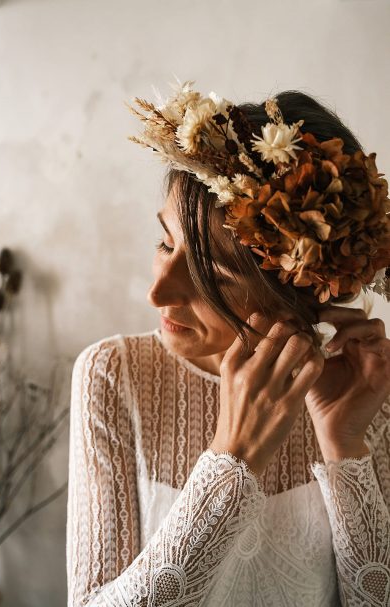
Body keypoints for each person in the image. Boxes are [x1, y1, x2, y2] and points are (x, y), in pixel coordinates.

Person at [66, 80, 390, 606]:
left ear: (299, 290)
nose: (157, 292)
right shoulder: (113, 374)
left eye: (208, 274)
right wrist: (232, 461)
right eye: (164, 243)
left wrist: (346, 446)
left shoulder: (366, 393)